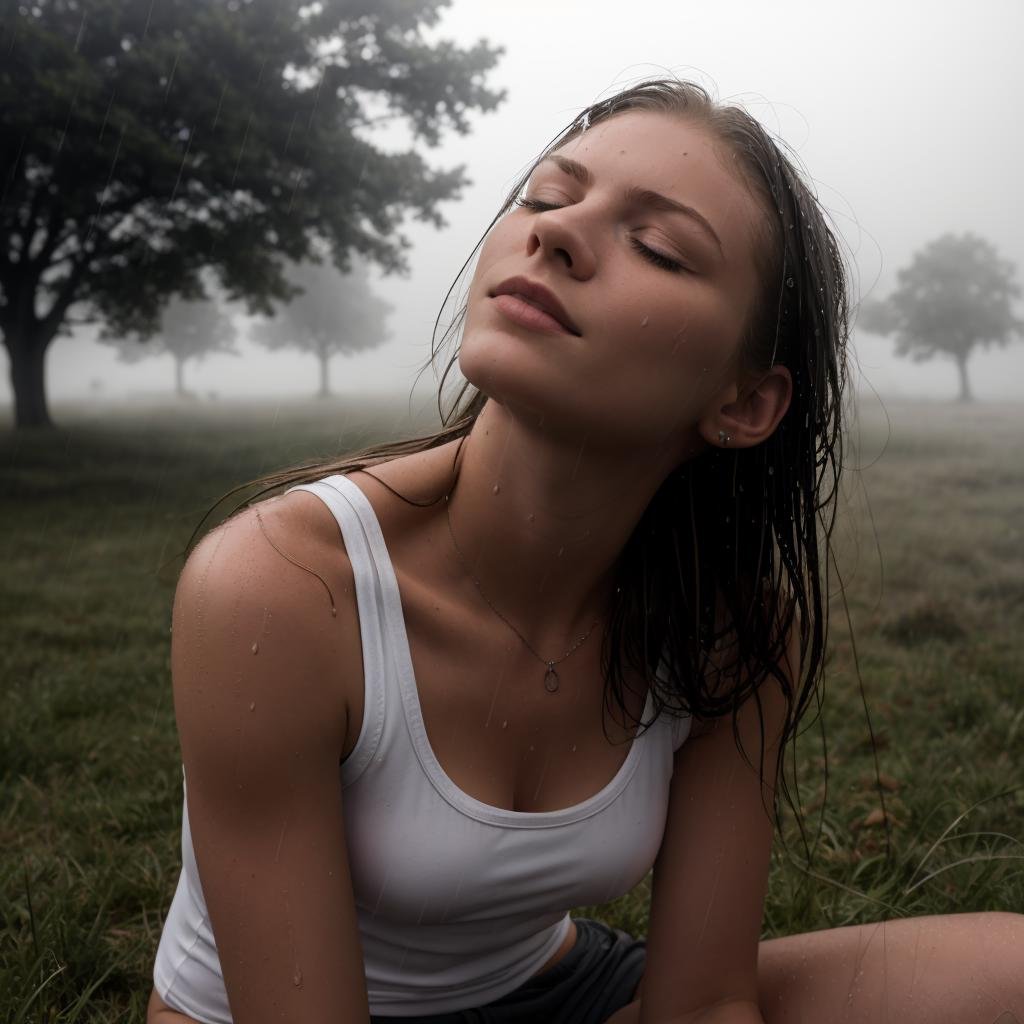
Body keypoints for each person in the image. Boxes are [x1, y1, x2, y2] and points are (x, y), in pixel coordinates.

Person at [147, 80, 1024, 1024]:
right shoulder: (282, 586)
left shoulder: (733, 626)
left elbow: (701, 1003)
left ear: (743, 404)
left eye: (659, 247)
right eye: (546, 197)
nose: (554, 235)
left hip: (567, 990)